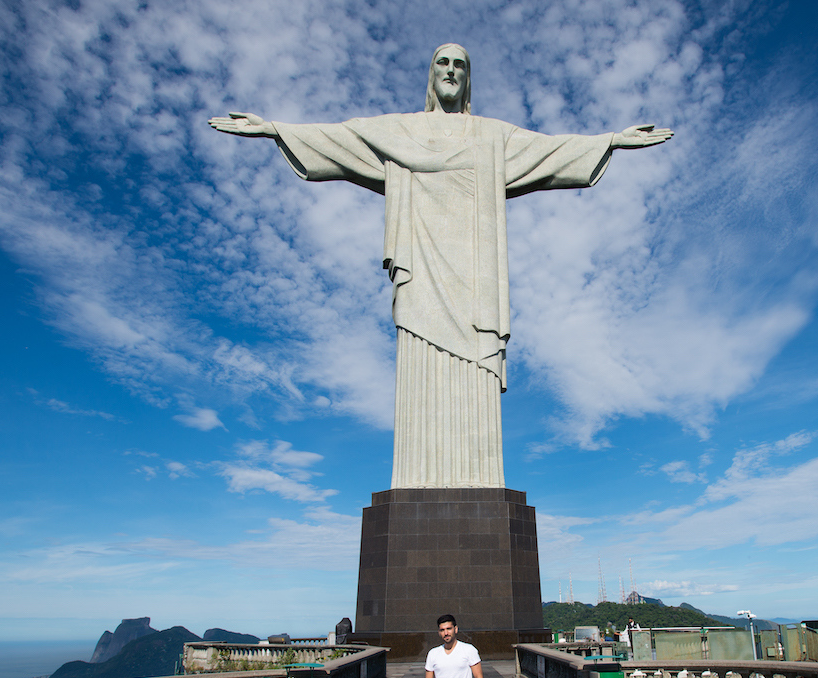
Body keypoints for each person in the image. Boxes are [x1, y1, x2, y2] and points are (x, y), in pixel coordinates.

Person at [209, 44, 672, 490]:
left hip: (475, 280)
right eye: (442, 63)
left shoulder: (492, 136)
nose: (450, 70)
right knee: (420, 368)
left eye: (460, 65)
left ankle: (478, 477)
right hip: (422, 276)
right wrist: (273, 129)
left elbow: (550, 151)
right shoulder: (399, 131)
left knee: (474, 378)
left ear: (468, 79)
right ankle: (418, 475)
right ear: (431, 76)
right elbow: (340, 137)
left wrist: (610, 140)